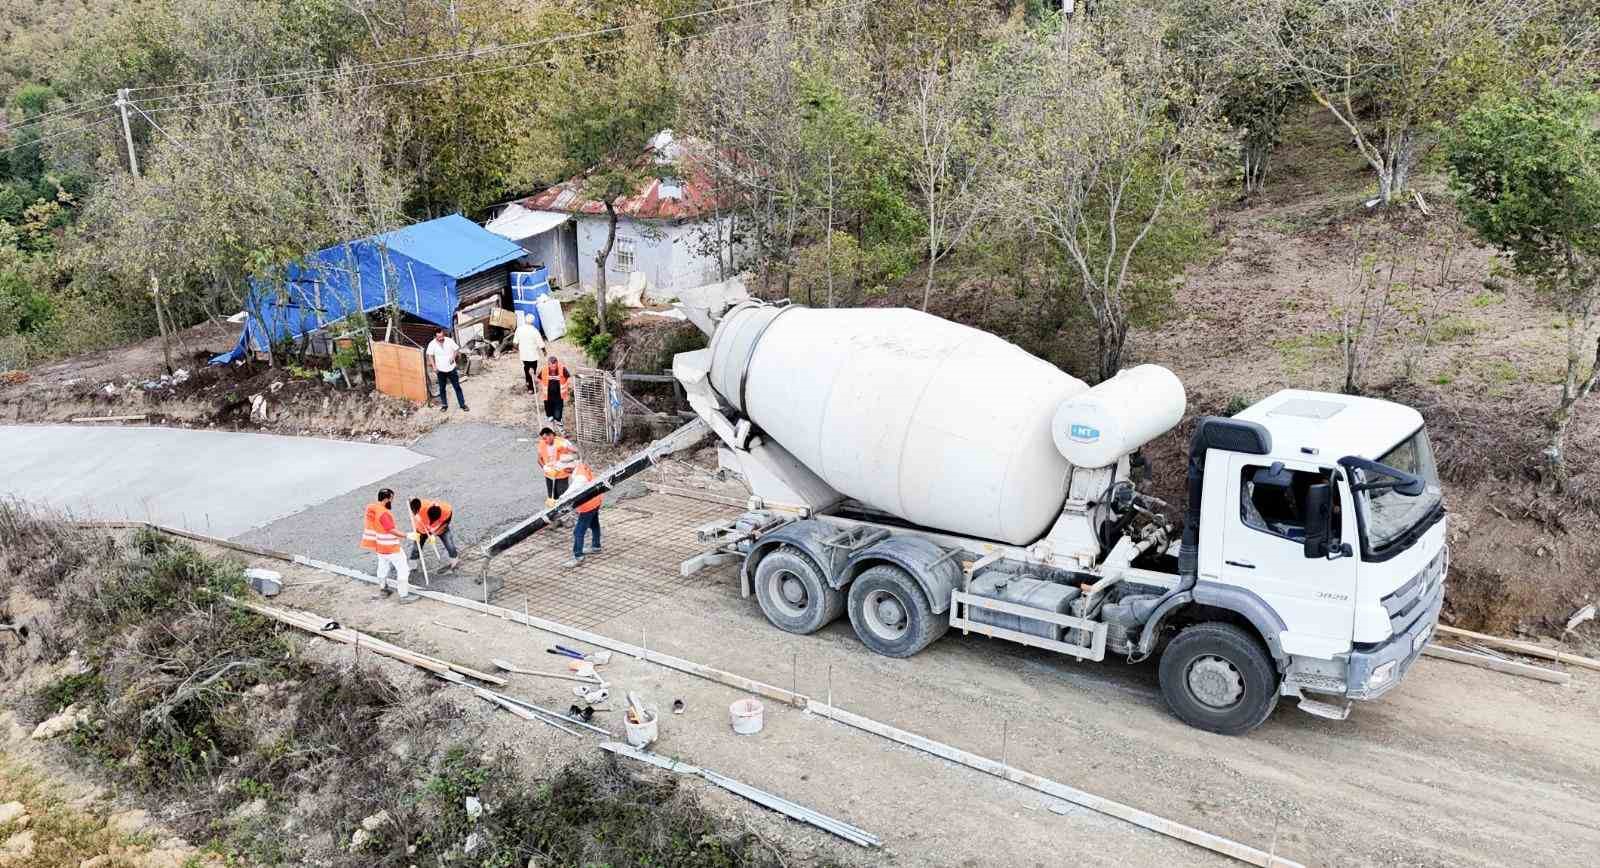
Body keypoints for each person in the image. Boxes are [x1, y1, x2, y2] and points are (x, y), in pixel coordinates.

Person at [360, 488, 416, 603]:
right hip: (391, 547)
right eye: (392, 498)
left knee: (383, 567)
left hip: (380, 546)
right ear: (387, 498)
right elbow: (391, 530)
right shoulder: (383, 514)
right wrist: (408, 535)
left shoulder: (373, 508)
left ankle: (383, 590)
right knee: (403, 569)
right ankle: (404, 596)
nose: (392, 500)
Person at [563, 460, 604, 567]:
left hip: (588, 505)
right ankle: (596, 546)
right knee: (594, 524)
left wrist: (562, 498)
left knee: (578, 532)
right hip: (596, 500)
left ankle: (578, 556)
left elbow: (574, 488)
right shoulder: (581, 467)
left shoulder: (580, 476)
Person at [407, 497, 460, 570]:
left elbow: (445, 524)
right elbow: (412, 500)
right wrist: (413, 508)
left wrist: (434, 534)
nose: (431, 522)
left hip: (439, 527)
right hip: (422, 529)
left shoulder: (447, 510)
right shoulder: (421, 506)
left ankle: (454, 561)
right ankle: (413, 564)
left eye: (434, 521)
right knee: (417, 547)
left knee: (449, 544)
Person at [426, 328, 469, 412]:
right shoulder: (432, 344)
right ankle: (444, 405)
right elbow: (430, 356)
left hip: (451, 368)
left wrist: (453, 357)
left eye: (442, 336)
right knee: (442, 388)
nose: (441, 338)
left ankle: (462, 404)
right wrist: (434, 366)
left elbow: (456, 349)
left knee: (457, 387)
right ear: (435, 337)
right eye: (439, 337)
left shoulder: (449, 340)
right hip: (440, 370)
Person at [537, 426, 578, 502]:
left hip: (561, 474)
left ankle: (566, 511)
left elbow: (576, 452)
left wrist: (568, 445)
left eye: (545, 438)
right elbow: (539, 459)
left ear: (551, 435)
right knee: (551, 498)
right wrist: (544, 468)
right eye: (543, 438)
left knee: (563, 497)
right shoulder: (542, 443)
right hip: (549, 474)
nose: (544, 441)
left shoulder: (561, 443)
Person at [514, 313, 546, 394]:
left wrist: (517, 349)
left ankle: (528, 382)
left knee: (526, 367)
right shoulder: (534, 331)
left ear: (525, 320)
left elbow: (515, 342)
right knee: (532, 370)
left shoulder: (519, 329)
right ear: (533, 322)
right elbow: (540, 343)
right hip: (533, 355)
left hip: (524, 354)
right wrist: (544, 351)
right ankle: (531, 388)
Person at [536, 354, 571, 425]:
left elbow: (568, 377)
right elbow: (539, 379)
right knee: (548, 408)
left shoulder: (562, 368)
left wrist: (567, 385)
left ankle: (558, 419)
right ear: (548, 364)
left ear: (557, 363)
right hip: (548, 394)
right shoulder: (544, 370)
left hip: (559, 394)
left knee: (558, 413)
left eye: (555, 366)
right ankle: (550, 417)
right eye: (552, 366)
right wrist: (533, 376)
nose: (553, 368)